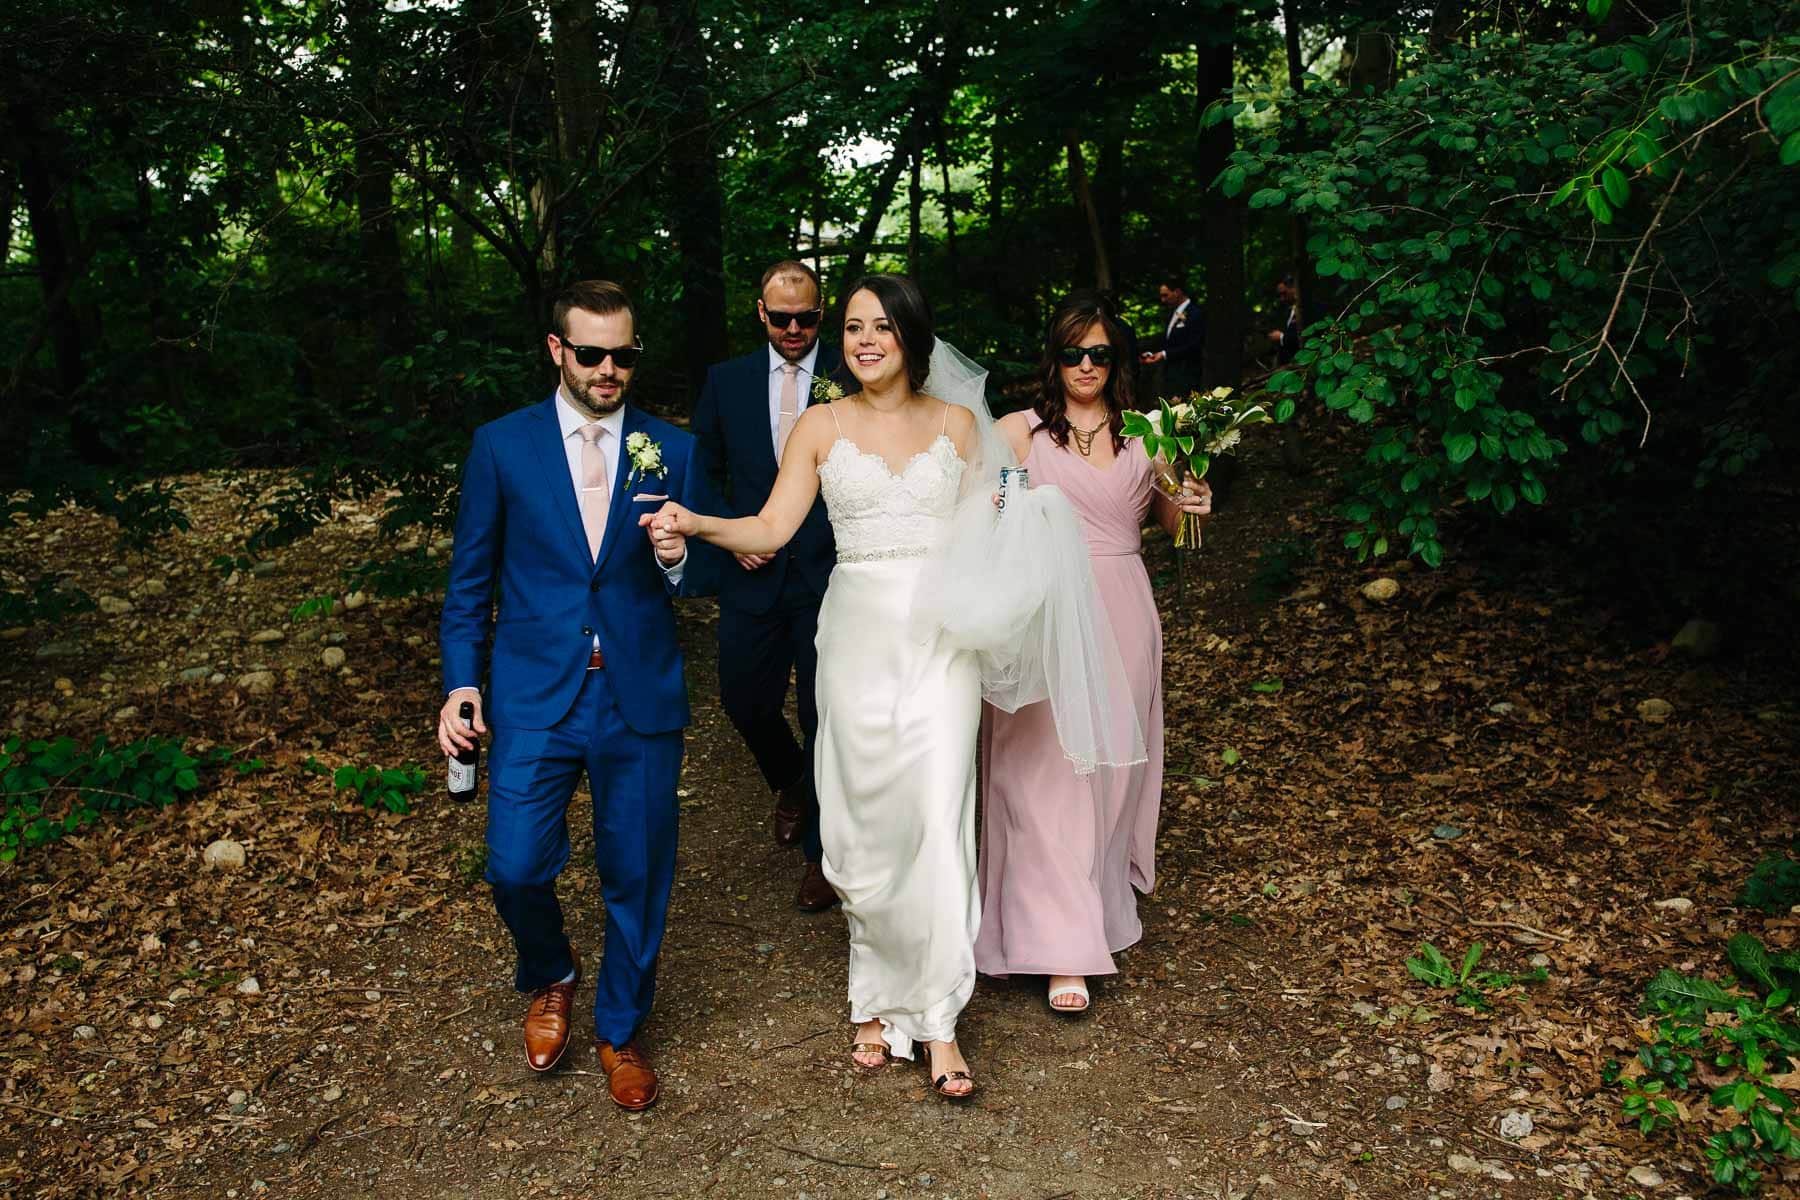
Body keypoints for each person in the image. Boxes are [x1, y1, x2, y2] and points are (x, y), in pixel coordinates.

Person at [642, 275, 986, 1098]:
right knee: (864, 820)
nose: (864, 339)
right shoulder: (820, 424)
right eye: (855, 327)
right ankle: (874, 994)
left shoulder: (961, 427)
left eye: (881, 326)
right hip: (859, 635)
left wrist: (1024, 513)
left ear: (911, 336)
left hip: (942, 642)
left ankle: (937, 1018)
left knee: (938, 816)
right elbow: (770, 525)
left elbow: (991, 535)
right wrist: (695, 523)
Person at [436, 279, 717, 1111]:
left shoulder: (675, 449)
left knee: (638, 870)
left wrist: (674, 553)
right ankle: (551, 972)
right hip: (533, 693)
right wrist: (460, 682)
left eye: (623, 354)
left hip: (637, 693)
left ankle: (621, 1027)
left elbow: (700, 575)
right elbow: (469, 583)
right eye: (591, 352)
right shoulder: (501, 446)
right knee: (514, 864)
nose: (608, 369)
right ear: (557, 350)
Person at [980, 291, 1211, 1014]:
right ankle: (1061, 946)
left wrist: (1194, 504)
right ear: (1055, 356)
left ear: (1120, 360)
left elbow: (1173, 522)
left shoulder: (1153, 431)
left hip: (1121, 605)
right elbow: (979, 513)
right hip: (1046, 606)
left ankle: (1083, 913)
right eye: (1075, 351)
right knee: (1041, 771)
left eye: (1101, 353)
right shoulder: (1018, 431)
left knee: (1104, 771)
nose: (1087, 365)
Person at [691, 260, 844, 913]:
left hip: (827, 574)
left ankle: (823, 855)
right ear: (759, 312)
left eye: (805, 318)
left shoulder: (849, 372)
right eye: (779, 317)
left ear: (821, 313)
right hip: (750, 572)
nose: (792, 328)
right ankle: (789, 780)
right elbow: (705, 469)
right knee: (743, 699)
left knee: (823, 714)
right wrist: (732, 533)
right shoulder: (726, 382)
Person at [1139, 274, 1205, 397]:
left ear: (1177, 292)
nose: (1162, 300)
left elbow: (1194, 345)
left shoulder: (1195, 313)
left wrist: (1164, 354)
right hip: (1171, 375)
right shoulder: (1173, 313)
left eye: (1166, 295)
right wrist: (1153, 353)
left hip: (1187, 375)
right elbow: (1169, 340)